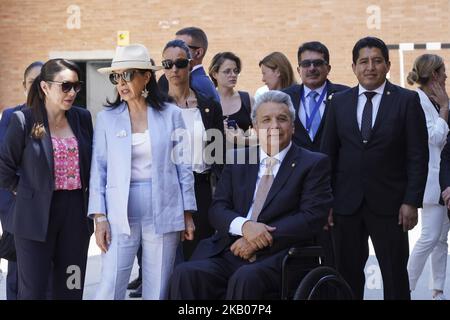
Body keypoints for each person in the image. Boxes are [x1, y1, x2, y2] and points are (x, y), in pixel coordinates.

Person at [169, 90, 332, 300]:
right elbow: (218, 209)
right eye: (266, 120)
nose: (274, 126)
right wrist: (245, 227)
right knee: (186, 274)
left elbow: (312, 217)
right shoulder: (237, 159)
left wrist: (257, 240)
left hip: (281, 254)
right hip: (232, 249)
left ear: (293, 126)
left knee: (245, 278)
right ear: (255, 127)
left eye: (282, 119)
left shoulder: (313, 163)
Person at [321, 36, 429, 300]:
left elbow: (417, 155)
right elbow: (327, 155)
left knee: (394, 276)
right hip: (346, 205)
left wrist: (411, 201)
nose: (370, 67)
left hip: (391, 206)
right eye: (364, 61)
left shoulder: (406, 100)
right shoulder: (338, 102)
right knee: (346, 276)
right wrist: (326, 201)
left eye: (377, 61)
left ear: (388, 65)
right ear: (354, 67)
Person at [89, 44, 197, 300]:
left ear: (146, 76)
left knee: (158, 285)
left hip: (165, 205)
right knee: (110, 282)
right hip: (119, 209)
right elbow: (99, 170)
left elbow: (183, 166)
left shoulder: (171, 114)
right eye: (116, 76)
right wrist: (99, 217)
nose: (121, 83)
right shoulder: (107, 118)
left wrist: (188, 213)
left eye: (128, 75)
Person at [0, 58, 93, 299]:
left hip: (74, 214)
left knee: (72, 285)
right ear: (44, 87)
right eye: (65, 86)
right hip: (34, 217)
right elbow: (4, 168)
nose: (71, 92)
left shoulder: (82, 118)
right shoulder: (23, 120)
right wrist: (27, 190)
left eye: (76, 86)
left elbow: (91, 166)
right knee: (34, 290)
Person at [162, 39, 224, 261]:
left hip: (201, 187)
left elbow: (219, 155)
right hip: (166, 189)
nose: (174, 69)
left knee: (199, 254)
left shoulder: (208, 105)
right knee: (166, 258)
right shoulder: (156, 106)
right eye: (167, 64)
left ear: (190, 64)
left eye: (179, 63)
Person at [406, 54, 450, 300]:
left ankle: (437, 290)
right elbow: (435, 138)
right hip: (431, 181)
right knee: (430, 237)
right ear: (434, 74)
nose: (446, 76)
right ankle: (406, 286)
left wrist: (445, 105)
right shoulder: (418, 101)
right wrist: (445, 108)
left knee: (441, 239)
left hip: (444, 179)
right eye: (443, 71)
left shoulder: (440, 100)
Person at [0, 61, 43, 300]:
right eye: (31, 83)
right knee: (17, 271)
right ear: (23, 85)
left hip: (49, 207)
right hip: (17, 205)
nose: (36, 88)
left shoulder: (59, 117)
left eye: (40, 83)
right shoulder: (10, 116)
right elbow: (3, 161)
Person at [283, 41, 349, 152]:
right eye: (306, 64)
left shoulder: (345, 95)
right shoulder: (285, 97)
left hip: (333, 165)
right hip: (297, 166)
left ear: (328, 68)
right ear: (299, 70)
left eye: (318, 63)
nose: (312, 68)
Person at [158, 27, 220, 103]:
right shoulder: (201, 81)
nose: (175, 49)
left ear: (198, 53)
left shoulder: (198, 83)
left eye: (182, 45)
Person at [208, 51, 255, 148]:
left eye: (236, 71)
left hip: (244, 160)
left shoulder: (247, 100)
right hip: (215, 160)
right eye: (227, 71)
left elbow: (263, 136)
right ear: (214, 74)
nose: (233, 75)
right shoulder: (207, 102)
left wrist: (243, 140)